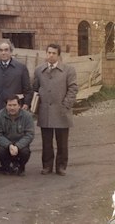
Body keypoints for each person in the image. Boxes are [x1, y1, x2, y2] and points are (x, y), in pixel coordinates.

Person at [33, 43, 78, 176]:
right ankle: (47, 166)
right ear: (45, 54)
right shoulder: (39, 70)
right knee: (46, 142)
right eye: (49, 53)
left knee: (62, 142)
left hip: (62, 111)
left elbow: (73, 88)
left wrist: (66, 105)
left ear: (58, 55)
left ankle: (61, 166)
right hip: (45, 111)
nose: (51, 55)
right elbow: (35, 88)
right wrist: (36, 106)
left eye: (54, 53)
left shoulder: (68, 70)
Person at [0, 40, 33, 114]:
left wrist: (26, 103)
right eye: (1, 50)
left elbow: (27, 89)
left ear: (11, 52)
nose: (3, 53)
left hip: (15, 109)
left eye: (6, 50)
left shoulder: (21, 68)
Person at [0, 95, 35, 176]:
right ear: (6, 105)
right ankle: (6, 166)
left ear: (19, 105)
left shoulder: (27, 116)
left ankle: (21, 167)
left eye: (14, 105)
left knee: (25, 152)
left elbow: (29, 134)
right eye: (9, 105)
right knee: (0, 150)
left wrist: (18, 146)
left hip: (20, 143)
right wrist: (9, 145)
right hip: (5, 144)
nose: (12, 108)